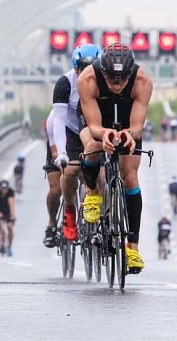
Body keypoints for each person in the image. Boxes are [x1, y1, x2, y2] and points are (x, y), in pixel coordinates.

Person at [78, 42, 153, 273]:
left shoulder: (143, 82)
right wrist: (105, 134)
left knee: (130, 175)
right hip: (97, 122)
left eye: (122, 80)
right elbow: (93, 126)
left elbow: (137, 126)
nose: (117, 85)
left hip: (127, 123)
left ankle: (133, 248)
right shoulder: (87, 79)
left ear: (130, 74)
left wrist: (129, 135)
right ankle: (92, 192)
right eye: (112, 80)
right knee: (92, 145)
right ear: (103, 72)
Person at [51, 44, 101, 244]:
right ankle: (70, 211)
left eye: (92, 68)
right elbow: (58, 120)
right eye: (82, 68)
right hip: (71, 131)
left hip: (96, 128)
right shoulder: (65, 83)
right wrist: (61, 152)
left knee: (103, 177)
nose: (86, 73)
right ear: (75, 67)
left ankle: (104, 221)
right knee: (70, 171)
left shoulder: (102, 83)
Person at [42, 108, 62, 248]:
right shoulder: (56, 113)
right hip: (58, 139)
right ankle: (52, 223)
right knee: (56, 190)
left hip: (84, 139)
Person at [0, 179, 16, 256]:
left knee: (10, 227)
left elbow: (11, 203)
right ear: (0, 188)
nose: (4, 190)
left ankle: (10, 247)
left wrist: (12, 215)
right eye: (3, 189)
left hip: (7, 211)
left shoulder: (10, 191)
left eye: (6, 189)